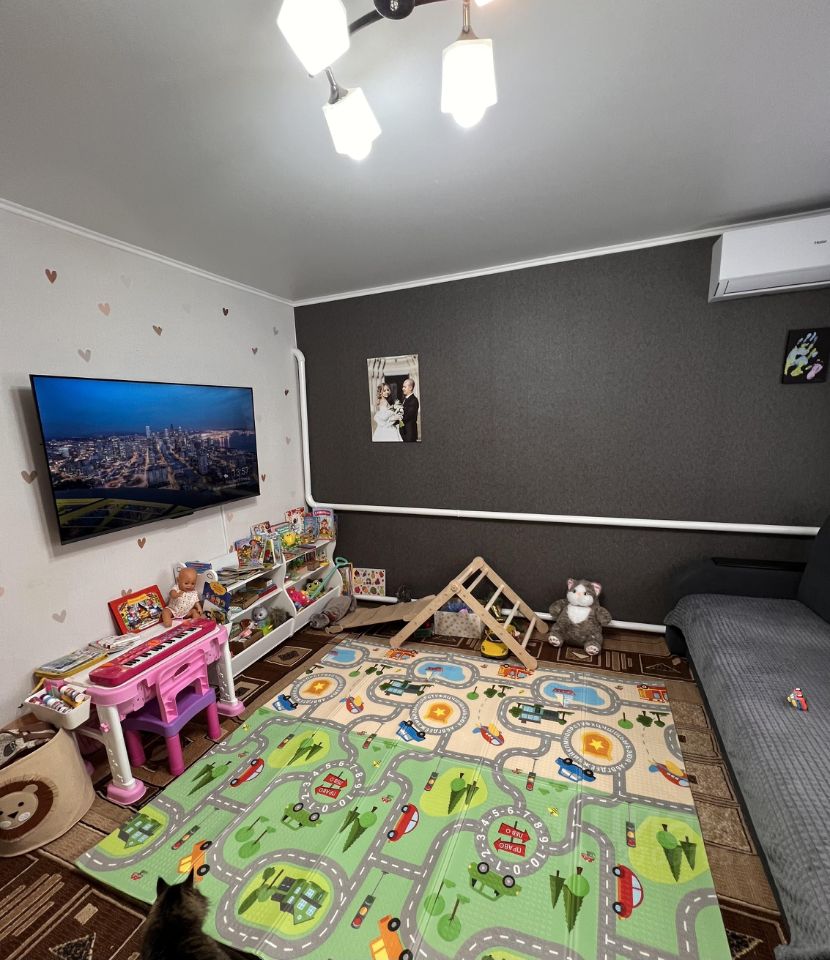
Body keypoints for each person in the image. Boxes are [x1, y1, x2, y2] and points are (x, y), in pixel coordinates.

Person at [399, 378, 419, 442]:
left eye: (404, 387)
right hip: (403, 431)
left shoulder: (414, 400)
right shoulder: (404, 399)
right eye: (403, 387)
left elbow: (408, 415)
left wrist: (396, 417)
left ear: (410, 388)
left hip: (410, 433)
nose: (402, 389)